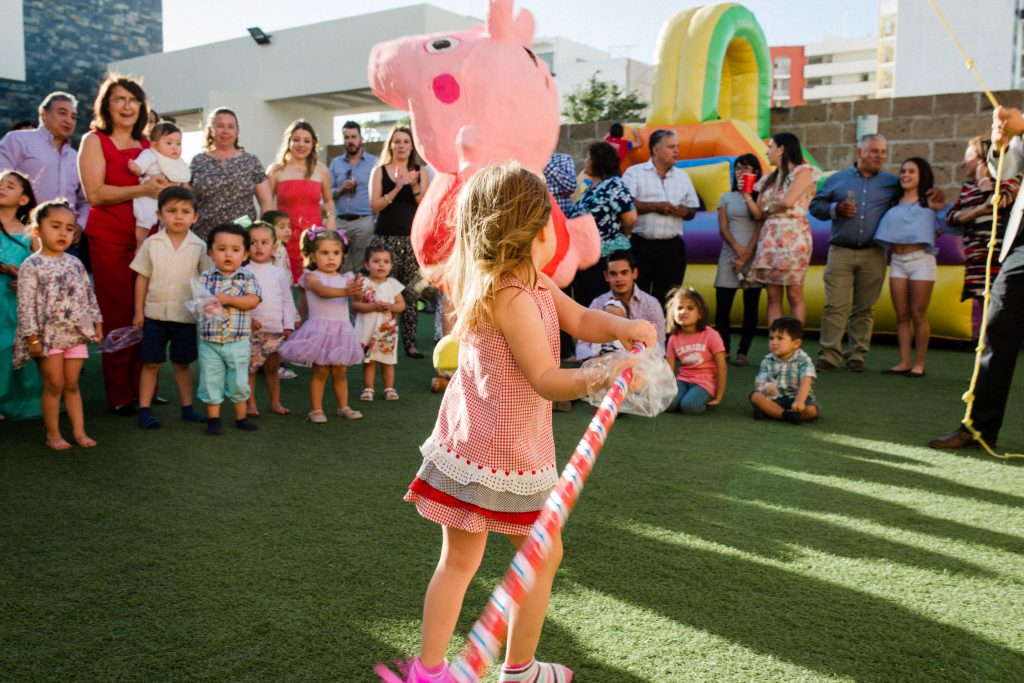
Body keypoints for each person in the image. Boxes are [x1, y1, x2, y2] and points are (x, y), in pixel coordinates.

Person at [401, 161, 655, 682]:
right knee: (538, 554)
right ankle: (517, 671)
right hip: (501, 452)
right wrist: (602, 374)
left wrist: (624, 325)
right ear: (537, 229)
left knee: (463, 562)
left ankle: (429, 672)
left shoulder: (528, 282)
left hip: (477, 442)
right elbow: (543, 377)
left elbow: (581, 318)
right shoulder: (511, 296)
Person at [929, 105, 1024, 450]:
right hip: (1021, 243)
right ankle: (980, 428)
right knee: (997, 327)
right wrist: (1002, 144)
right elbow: (1008, 169)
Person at [810, 134, 945, 373]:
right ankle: (829, 356)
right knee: (834, 306)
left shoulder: (892, 183)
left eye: (883, 152)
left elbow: (917, 196)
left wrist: (933, 195)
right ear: (859, 152)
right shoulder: (837, 180)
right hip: (840, 250)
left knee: (865, 308)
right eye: (874, 151)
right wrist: (835, 208)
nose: (879, 156)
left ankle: (857, 356)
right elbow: (815, 206)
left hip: (874, 253)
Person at [78, 75, 167, 415]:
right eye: (119, 99)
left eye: (133, 100)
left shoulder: (148, 144)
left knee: (149, 311)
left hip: (148, 239)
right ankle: (119, 395)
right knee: (117, 312)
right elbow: (95, 194)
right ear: (106, 105)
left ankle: (146, 387)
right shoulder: (93, 140)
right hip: (110, 238)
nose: (127, 106)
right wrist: (142, 190)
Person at [14, 200, 103, 449]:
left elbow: (88, 294)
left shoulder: (75, 263)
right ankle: (52, 435)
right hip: (47, 336)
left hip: (74, 334)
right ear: (36, 230)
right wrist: (32, 338)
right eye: (55, 226)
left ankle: (79, 432)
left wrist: (97, 322)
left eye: (69, 228)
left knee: (72, 384)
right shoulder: (31, 265)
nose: (63, 233)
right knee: (55, 384)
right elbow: (25, 305)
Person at [130, 186, 209, 430]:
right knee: (151, 363)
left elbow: (206, 281)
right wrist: (138, 311)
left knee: (182, 363)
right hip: (154, 315)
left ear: (195, 217)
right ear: (159, 215)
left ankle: (187, 409)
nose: (178, 216)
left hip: (184, 317)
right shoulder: (152, 243)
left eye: (185, 211)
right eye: (171, 210)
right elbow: (142, 277)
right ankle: (144, 410)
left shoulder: (200, 246)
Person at [278, 228, 364, 424]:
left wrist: (357, 290)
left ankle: (344, 406)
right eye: (324, 253)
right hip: (319, 332)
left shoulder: (346, 278)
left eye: (336, 253)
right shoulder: (311, 277)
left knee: (340, 371)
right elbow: (323, 292)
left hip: (341, 331)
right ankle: (316, 410)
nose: (331, 258)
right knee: (321, 371)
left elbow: (358, 298)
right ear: (313, 255)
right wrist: (346, 291)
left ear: (343, 255)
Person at [946, 135, 1020, 340]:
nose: (963, 162)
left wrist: (984, 181)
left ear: (982, 159)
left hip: (999, 257)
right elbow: (952, 217)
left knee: (999, 308)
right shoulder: (968, 187)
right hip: (976, 258)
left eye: (968, 156)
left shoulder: (1009, 181)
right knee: (982, 301)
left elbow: (998, 201)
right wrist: (978, 211)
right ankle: (984, 357)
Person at [874, 158, 942, 378]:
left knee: (918, 314)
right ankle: (904, 361)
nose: (905, 175)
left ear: (922, 175)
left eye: (911, 172)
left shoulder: (929, 200)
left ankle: (919, 364)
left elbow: (947, 222)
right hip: (897, 260)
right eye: (903, 171)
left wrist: (939, 211)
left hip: (921, 259)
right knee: (902, 314)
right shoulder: (894, 201)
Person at [196, 223, 262, 436]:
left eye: (235, 250)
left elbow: (253, 300)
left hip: (237, 340)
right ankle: (213, 418)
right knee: (210, 379)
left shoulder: (247, 277)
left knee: (239, 381)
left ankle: (241, 417)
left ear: (244, 255)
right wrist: (205, 305)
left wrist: (231, 300)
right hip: (210, 340)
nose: (228, 254)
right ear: (210, 252)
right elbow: (198, 304)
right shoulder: (206, 277)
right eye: (221, 249)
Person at [369, 125, 429, 358]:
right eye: (397, 141)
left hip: (412, 240)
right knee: (383, 292)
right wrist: (396, 188)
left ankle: (410, 343)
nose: (401, 145)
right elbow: (374, 206)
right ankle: (381, 340)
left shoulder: (420, 171)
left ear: (412, 145)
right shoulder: (380, 171)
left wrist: (413, 185)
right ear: (391, 145)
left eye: (405, 141)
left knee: (411, 293)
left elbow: (425, 205)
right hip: (385, 239)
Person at [749, 132, 819, 325]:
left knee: (794, 294)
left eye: (770, 146)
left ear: (782, 148)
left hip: (793, 234)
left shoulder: (803, 171)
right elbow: (759, 211)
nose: (767, 151)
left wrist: (769, 207)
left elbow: (788, 201)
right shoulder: (767, 180)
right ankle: (776, 343)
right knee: (772, 295)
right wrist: (747, 195)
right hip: (770, 235)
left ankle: (795, 343)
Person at [622, 129, 699, 304]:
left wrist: (684, 211)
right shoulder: (634, 173)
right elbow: (625, 206)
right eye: (671, 147)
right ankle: (637, 332)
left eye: (677, 147)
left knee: (669, 299)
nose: (677, 151)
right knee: (636, 297)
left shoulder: (683, 176)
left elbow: (693, 208)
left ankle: (663, 332)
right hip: (641, 247)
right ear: (656, 150)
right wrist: (655, 207)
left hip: (672, 249)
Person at [0, 92, 90, 236]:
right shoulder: (18, 140)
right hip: (19, 234)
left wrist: (80, 225)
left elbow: (84, 200)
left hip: (63, 239)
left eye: (73, 117)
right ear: (43, 113)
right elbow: (2, 182)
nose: (69, 120)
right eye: (62, 113)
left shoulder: (76, 157)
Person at [569, 140, 637, 309]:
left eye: (588, 157)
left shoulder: (614, 184)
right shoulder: (591, 188)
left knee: (605, 309)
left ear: (597, 161)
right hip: (586, 261)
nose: (585, 161)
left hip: (606, 259)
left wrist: (625, 233)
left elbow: (630, 217)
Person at [189, 108, 273, 241]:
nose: (225, 131)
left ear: (237, 131)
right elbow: (188, 200)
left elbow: (266, 202)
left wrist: (265, 235)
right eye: (220, 126)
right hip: (204, 237)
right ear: (211, 130)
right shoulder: (198, 161)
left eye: (231, 126)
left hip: (242, 237)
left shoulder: (251, 161)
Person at [268, 120, 336, 283]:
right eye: (296, 139)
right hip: (284, 236)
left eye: (307, 141)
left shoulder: (321, 170)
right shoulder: (276, 170)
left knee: (313, 283)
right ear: (289, 141)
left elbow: (328, 201)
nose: (301, 145)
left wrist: (331, 219)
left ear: (313, 144)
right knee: (284, 282)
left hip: (313, 236)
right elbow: (267, 204)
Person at [715, 153, 765, 366]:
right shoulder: (726, 196)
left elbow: (760, 221)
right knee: (723, 307)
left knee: (750, 308)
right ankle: (723, 349)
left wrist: (746, 254)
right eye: (738, 168)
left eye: (747, 168)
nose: (741, 172)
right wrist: (737, 250)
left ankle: (743, 352)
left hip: (753, 256)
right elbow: (723, 227)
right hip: (729, 255)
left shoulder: (761, 195)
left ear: (755, 172)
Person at [0, 171, 42, 421]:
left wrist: (26, 279)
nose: (2, 188)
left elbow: (42, 266)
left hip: (17, 303)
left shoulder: (31, 234)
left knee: (12, 349)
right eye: (0, 184)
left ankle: (15, 399)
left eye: (10, 186)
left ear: (24, 199)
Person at [245, 220, 297, 417]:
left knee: (272, 368)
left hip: (275, 329)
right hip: (251, 330)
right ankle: (251, 404)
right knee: (250, 369)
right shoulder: (244, 272)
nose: (259, 247)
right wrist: (248, 320)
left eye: (264, 242)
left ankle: (275, 402)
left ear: (274, 246)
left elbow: (287, 300)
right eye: (253, 242)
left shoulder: (279, 272)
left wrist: (288, 325)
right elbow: (241, 301)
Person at [578, 249, 666, 361]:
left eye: (624, 273)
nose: (619, 279)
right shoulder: (598, 303)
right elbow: (582, 345)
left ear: (634, 273)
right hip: (601, 363)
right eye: (613, 274)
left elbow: (660, 347)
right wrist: (595, 358)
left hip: (642, 365)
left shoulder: (651, 304)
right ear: (606, 276)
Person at [353, 244, 406, 402]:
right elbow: (356, 305)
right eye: (376, 261)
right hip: (368, 329)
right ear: (366, 265)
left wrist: (392, 307)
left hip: (386, 331)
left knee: (387, 361)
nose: (381, 265)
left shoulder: (393, 284)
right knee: (370, 360)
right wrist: (373, 307)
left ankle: (389, 388)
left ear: (391, 265)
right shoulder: (362, 283)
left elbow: (401, 305)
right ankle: (368, 388)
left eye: (386, 261)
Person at [665, 286, 726, 415]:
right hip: (683, 380)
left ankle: (697, 399)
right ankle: (683, 397)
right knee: (668, 404)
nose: (683, 312)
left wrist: (718, 396)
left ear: (700, 314)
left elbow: (722, 367)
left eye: (690, 308)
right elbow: (669, 368)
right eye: (679, 308)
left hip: (705, 383)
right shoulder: (673, 338)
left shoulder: (711, 335)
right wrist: (665, 390)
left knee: (689, 407)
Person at [127, 122, 190, 247]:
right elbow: (141, 165)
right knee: (147, 218)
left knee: (168, 221)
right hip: (148, 196)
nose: (175, 147)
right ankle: (140, 244)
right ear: (155, 145)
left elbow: (181, 178)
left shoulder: (178, 162)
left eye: (178, 143)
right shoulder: (151, 154)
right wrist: (136, 168)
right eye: (169, 143)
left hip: (167, 199)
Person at [329, 121, 378, 273]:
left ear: (361, 139)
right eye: (346, 137)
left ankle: (359, 297)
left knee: (361, 266)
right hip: (340, 222)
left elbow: (378, 190)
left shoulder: (373, 162)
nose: (350, 141)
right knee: (338, 265)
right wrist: (340, 189)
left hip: (363, 221)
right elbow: (326, 193)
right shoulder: (336, 163)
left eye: (353, 137)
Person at [750, 317, 819, 424]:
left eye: (780, 338)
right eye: (771, 338)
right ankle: (786, 415)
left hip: (798, 397)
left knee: (812, 410)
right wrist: (766, 387)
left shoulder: (803, 359)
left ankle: (772, 413)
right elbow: (760, 381)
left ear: (796, 343)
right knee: (755, 396)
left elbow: (806, 381)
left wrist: (799, 401)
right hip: (776, 398)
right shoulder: (767, 360)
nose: (774, 342)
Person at [543, 150, 576, 217]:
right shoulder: (524, 161)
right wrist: (559, 191)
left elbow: (571, 186)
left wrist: (545, 162)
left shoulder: (564, 159)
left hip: (562, 219)